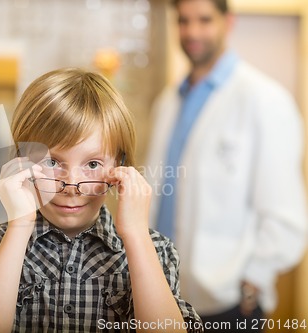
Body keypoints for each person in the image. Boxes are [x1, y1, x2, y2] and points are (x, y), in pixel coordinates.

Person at [0, 68, 204, 333]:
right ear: (22, 161)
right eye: (53, 162)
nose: (71, 186)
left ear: (121, 165)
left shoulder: (155, 250)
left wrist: (136, 234)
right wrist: (19, 225)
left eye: (92, 163)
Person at [145, 0, 307, 331]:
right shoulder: (168, 101)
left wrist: (255, 279)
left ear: (227, 22)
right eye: (184, 21)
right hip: (163, 292)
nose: (192, 32)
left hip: (229, 300)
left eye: (204, 20)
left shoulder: (264, 100)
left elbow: (285, 212)